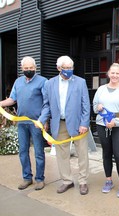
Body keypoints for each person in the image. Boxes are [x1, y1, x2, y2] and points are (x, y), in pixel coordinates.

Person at [38, 55, 90, 195]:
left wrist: (84, 123)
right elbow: (46, 105)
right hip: (59, 124)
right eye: (65, 68)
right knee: (62, 155)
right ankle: (67, 181)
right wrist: (42, 120)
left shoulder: (80, 82)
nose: (68, 70)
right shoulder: (50, 84)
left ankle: (83, 181)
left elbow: (86, 105)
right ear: (58, 68)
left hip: (79, 125)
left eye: (70, 67)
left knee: (82, 154)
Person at [0, 56, 47, 190]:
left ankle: (39, 179)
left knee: (39, 151)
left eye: (31, 68)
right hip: (21, 123)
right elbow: (12, 99)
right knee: (22, 151)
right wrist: (1, 104)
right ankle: (27, 178)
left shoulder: (43, 81)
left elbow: (46, 103)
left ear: (35, 68)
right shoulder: (18, 82)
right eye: (26, 68)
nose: (28, 70)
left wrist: (44, 120)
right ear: (22, 69)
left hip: (36, 123)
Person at [93, 63, 119, 198]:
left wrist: (115, 122)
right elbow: (94, 107)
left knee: (118, 154)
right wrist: (97, 107)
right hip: (102, 125)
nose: (115, 75)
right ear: (108, 74)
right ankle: (108, 181)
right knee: (106, 153)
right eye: (113, 73)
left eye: (117, 73)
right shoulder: (100, 89)